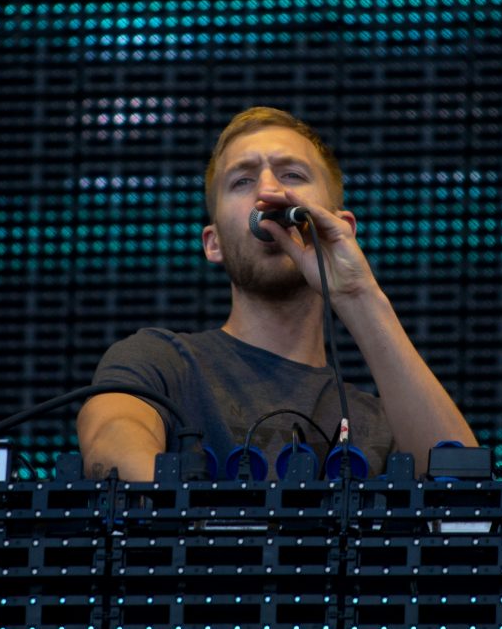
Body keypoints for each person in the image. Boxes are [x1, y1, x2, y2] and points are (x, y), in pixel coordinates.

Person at [77, 107, 476, 481]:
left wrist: (358, 293)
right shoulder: (162, 362)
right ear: (213, 243)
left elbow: (462, 486)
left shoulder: (380, 419)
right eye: (242, 181)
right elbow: (110, 444)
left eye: (292, 176)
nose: (269, 193)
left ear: (342, 227)